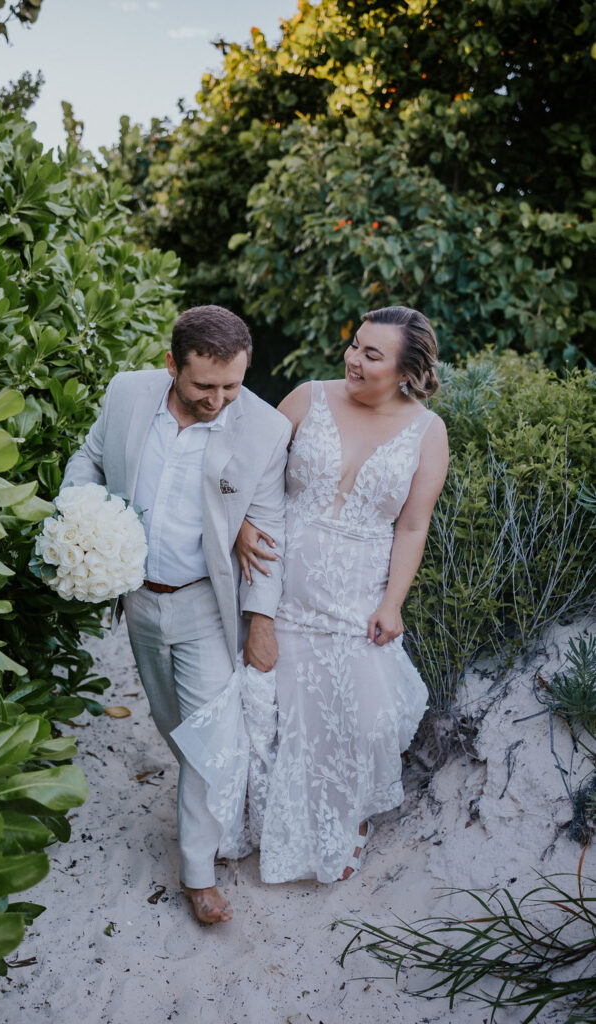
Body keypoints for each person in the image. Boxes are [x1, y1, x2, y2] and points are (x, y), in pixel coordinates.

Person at [62, 305, 290, 922]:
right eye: (203, 386)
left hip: (206, 604)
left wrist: (261, 622)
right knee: (174, 725)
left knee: (209, 736)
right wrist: (80, 515)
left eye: (232, 386)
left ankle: (198, 871)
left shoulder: (264, 429)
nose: (219, 400)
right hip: (137, 597)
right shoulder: (128, 393)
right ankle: (205, 808)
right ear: (171, 366)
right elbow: (87, 460)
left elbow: (269, 530)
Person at [235, 305, 449, 883]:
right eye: (355, 345)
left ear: (407, 371)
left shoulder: (429, 433)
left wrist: (392, 603)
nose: (353, 359)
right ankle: (264, 819)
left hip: (359, 596)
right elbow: (250, 476)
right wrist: (240, 526)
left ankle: (345, 816)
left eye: (371, 354)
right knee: (275, 711)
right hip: (281, 585)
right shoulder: (307, 398)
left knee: (366, 718)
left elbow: (411, 526)